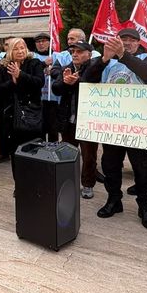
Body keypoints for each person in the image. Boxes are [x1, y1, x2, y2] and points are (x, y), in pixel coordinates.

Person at [82, 28, 147, 230]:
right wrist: (104, 59)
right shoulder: (109, 63)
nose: (127, 43)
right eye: (123, 40)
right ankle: (114, 200)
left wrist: (123, 54)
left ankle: (145, 207)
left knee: (143, 169)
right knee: (111, 165)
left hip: (140, 125)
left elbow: (146, 73)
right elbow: (87, 80)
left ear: (138, 43)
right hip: (113, 124)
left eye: (131, 40)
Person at [52, 41, 99, 198]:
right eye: (73, 51)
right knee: (67, 154)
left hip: (87, 121)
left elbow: (94, 85)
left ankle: (87, 184)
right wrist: (65, 83)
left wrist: (77, 82)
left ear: (89, 54)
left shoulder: (94, 68)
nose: (75, 54)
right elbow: (56, 89)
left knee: (89, 156)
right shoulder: (68, 68)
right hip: (68, 121)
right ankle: (68, 182)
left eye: (79, 51)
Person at [0, 38, 45, 173]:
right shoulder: (4, 66)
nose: (20, 51)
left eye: (22, 47)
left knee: (33, 149)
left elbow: (39, 82)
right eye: (16, 48)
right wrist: (13, 82)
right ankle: (20, 184)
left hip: (31, 113)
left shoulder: (34, 63)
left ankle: (36, 180)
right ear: (10, 51)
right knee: (16, 151)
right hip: (12, 115)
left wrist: (21, 75)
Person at [33, 33, 60, 143]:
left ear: (49, 43)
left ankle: (53, 151)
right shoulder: (32, 56)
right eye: (38, 42)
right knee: (40, 129)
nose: (41, 44)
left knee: (53, 129)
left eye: (44, 41)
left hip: (53, 99)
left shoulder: (57, 56)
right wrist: (43, 64)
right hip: (38, 99)